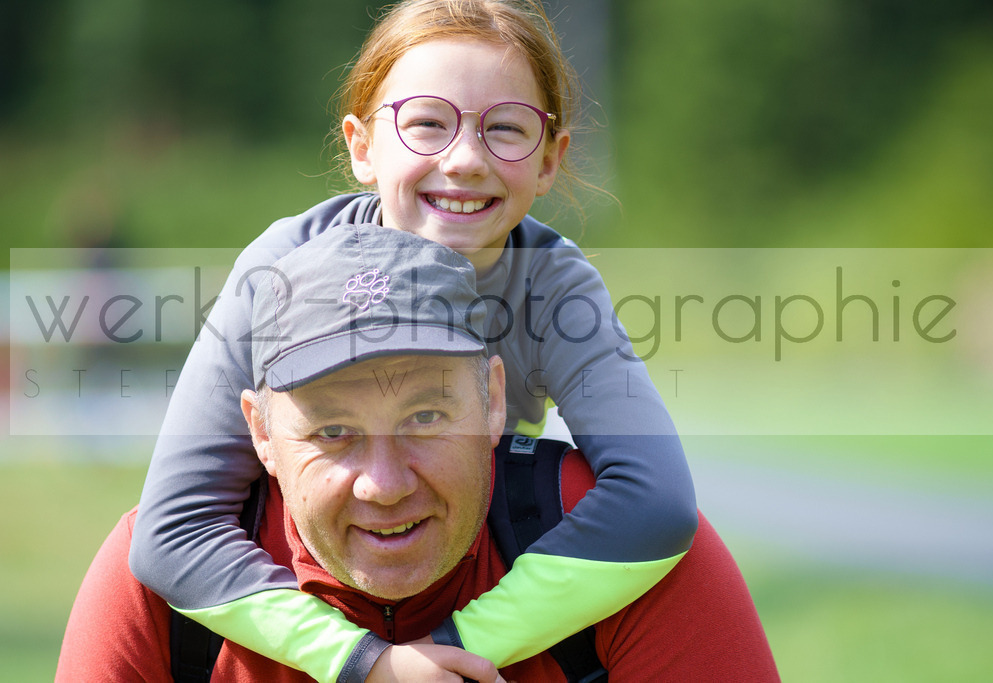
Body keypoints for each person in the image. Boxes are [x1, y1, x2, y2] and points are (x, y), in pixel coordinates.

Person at [129, 0, 699, 680]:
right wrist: (365, 663)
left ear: (551, 160)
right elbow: (173, 527)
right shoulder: (280, 265)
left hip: (456, 576)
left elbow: (656, 497)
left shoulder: (555, 282)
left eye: (506, 130)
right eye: (427, 124)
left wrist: (461, 642)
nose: (463, 160)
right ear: (362, 146)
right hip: (323, 584)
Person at [59, 227, 779, 682]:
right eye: (333, 431)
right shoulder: (157, 593)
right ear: (260, 432)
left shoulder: (629, 556)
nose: (383, 482)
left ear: (494, 401)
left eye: (427, 417)